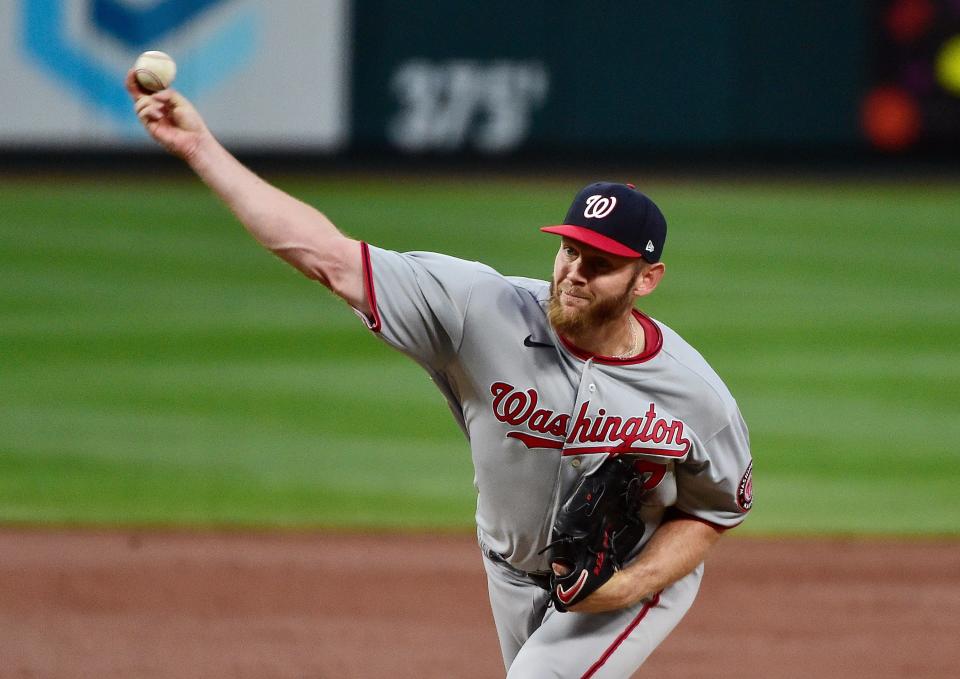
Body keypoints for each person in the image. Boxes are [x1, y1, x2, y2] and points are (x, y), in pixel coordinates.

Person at [128, 72, 753, 678]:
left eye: (601, 263)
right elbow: (328, 257)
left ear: (646, 279)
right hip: (509, 568)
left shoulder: (696, 397)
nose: (574, 272)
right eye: (569, 249)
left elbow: (716, 510)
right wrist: (200, 147)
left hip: (631, 574)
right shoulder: (479, 309)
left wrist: (624, 588)